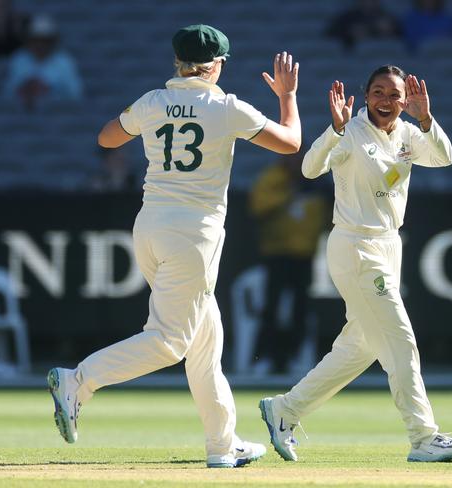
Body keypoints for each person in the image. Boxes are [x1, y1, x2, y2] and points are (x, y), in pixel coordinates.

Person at [47, 24, 301, 468]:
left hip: (150, 226)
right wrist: (287, 96)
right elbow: (291, 143)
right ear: (215, 66)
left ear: (177, 64)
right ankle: (79, 380)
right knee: (170, 342)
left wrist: (145, 121)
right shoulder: (226, 107)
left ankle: (223, 445)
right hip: (194, 235)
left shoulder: (153, 101)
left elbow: (106, 137)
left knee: (205, 341)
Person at [259, 65, 452, 463]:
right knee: (399, 339)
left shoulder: (409, 133)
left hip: (390, 246)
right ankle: (423, 436)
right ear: (366, 95)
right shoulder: (351, 133)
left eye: (394, 95)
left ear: (405, 99)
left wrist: (426, 118)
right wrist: (336, 129)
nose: (386, 101)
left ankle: (286, 409)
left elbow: (444, 158)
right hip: (355, 246)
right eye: (378, 92)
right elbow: (309, 168)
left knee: (359, 347)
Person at [249, 149, 328, 374]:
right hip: (277, 253)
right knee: (271, 307)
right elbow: (258, 207)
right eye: (293, 157)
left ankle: (294, 357)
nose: (297, 162)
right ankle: (265, 358)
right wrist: (289, 193)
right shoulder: (272, 179)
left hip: (305, 255)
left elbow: (325, 216)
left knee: (301, 310)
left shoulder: (317, 183)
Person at [3, 14, 82, 109]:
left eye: (44, 40)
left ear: (52, 41)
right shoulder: (18, 59)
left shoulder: (65, 62)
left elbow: (76, 95)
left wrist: (49, 89)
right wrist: (25, 88)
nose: (39, 44)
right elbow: (7, 94)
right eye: (36, 39)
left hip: (57, 116)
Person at [325, 0, 401, 50]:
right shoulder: (347, 18)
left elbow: (401, 35)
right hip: (354, 58)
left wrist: (390, 31)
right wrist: (349, 33)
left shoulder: (387, 17)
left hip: (383, 56)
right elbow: (330, 34)